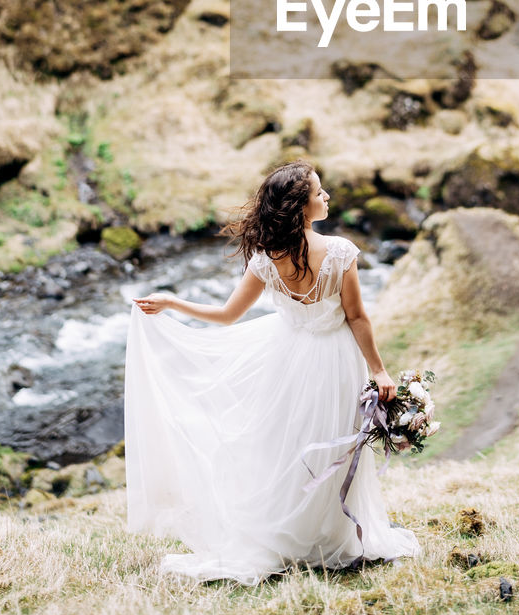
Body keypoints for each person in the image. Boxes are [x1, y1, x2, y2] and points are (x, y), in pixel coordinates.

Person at [124, 159, 420, 584]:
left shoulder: (267, 258)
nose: (327, 197)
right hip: (336, 361)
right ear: (301, 207)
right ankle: (330, 539)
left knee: (293, 446)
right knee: (331, 448)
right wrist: (379, 370)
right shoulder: (340, 252)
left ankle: (300, 537)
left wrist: (174, 302)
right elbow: (357, 318)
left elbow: (227, 315)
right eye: (319, 192)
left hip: (287, 360)